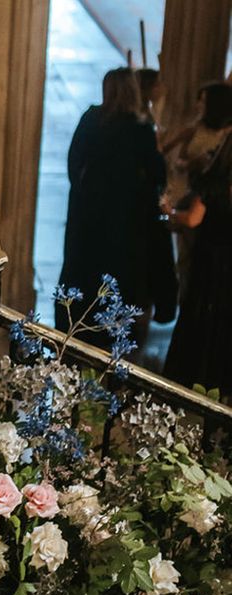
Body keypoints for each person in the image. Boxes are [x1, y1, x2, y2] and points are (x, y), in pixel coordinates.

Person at [56, 67, 173, 349]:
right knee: (120, 286)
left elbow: (74, 164)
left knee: (84, 277)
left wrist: (85, 196)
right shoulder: (140, 128)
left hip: (89, 219)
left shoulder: (91, 119)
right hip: (127, 225)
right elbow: (157, 176)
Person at [163, 131, 232, 397]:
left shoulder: (213, 182)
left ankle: (196, 381)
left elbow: (192, 219)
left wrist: (169, 212)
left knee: (202, 322)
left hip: (211, 265)